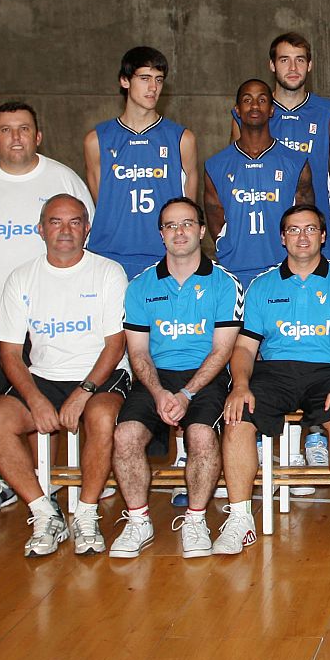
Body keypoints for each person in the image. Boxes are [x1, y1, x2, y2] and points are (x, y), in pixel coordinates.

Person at [0, 100, 92, 517]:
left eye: (24, 128)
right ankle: (1, 477)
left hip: (47, 312)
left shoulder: (62, 178)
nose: (16, 137)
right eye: (6, 130)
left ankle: (49, 480)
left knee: (45, 391)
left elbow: (84, 236)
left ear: (38, 135)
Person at [0, 194, 130, 557]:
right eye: (56, 222)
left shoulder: (107, 272)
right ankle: (45, 513)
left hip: (100, 374)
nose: (65, 230)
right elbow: (10, 353)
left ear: (86, 229)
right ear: (41, 229)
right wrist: (34, 398)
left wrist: (83, 390)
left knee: (102, 416)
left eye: (75, 222)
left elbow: (115, 345)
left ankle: (87, 514)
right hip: (43, 377)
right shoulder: (21, 278)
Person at [216, 203, 330, 556]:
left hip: (329, 371)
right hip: (275, 371)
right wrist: (239, 385)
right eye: (294, 230)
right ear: (282, 238)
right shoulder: (261, 285)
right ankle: (240, 519)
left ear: (324, 236)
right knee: (237, 417)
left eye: (311, 229)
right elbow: (243, 347)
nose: (303, 236)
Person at [110, 198, 240, 559]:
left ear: (201, 230)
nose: (179, 232)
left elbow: (222, 352)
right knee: (126, 435)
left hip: (206, 377)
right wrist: (158, 392)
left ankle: (196, 520)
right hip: (156, 377)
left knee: (200, 435)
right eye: (170, 226)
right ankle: (138, 521)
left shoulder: (225, 284)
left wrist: (184, 394)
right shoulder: (139, 286)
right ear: (161, 235)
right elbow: (137, 353)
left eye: (187, 224)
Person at [84, 46, 198, 279]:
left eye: (159, 79)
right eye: (144, 78)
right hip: (108, 256)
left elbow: (187, 210)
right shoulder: (97, 140)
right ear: (125, 81)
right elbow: (102, 201)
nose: (153, 87)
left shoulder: (182, 139)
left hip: (163, 257)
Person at [204, 78, 314, 288]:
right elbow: (214, 215)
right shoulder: (216, 165)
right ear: (237, 109)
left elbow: (305, 218)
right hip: (235, 271)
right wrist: (227, 250)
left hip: (284, 270)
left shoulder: (296, 163)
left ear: (272, 110)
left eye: (262, 100)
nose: (254, 106)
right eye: (247, 100)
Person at [252, 32, 330, 216]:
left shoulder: (329, 112)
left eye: (300, 60)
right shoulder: (253, 113)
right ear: (272, 65)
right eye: (284, 60)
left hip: (316, 224)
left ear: (309, 65)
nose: (293, 68)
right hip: (267, 223)